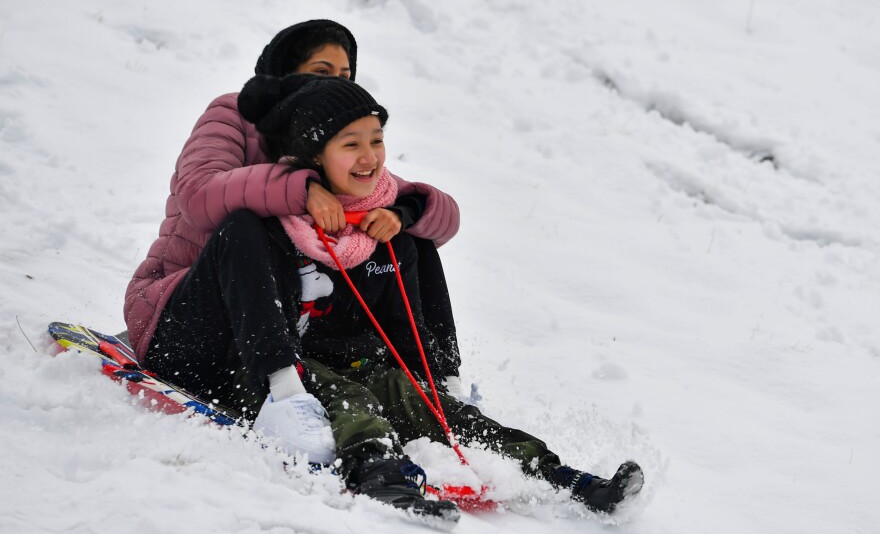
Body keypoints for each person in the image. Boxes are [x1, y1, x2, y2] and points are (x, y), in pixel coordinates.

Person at [229, 73, 644, 519]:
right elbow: (256, 323)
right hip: (287, 377)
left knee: (425, 402)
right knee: (355, 400)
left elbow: (403, 326)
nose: (370, 157)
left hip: (362, 367)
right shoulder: (274, 229)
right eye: (351, 145)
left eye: (377, 140)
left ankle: (559, 477)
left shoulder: (388, 233)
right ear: (314, 156)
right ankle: (376, 470)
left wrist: (430, 383)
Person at [123, 20, 460, 464]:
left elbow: (439, 217)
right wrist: (300, 187)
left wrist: (403, 212)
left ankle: (441, 388)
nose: (332, 85)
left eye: (344, 77)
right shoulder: (233, 116)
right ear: (282, 71)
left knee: (409, 237)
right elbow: (199, 192)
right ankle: (283, 397)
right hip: (190, 321)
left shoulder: (330, 140)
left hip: (272, 329)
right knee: (244, 226)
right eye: (321, 71)